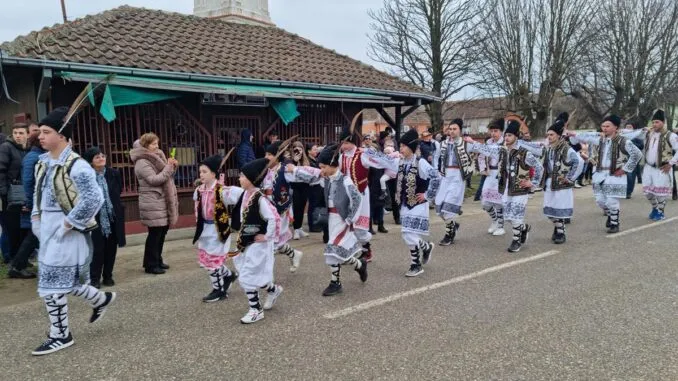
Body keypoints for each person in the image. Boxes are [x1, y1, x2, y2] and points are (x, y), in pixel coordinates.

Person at [30, 107, 114, 356]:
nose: (40, 136)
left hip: (68, 232)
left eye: (47, 132)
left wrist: (68, 223)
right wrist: (36, 217)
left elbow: (93, 199)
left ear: (63, 136)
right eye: (41, 132)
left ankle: (60, 334)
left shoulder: (77, 166)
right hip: (47, 229)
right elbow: (38, 193)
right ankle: (100, 299)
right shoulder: (43, 163)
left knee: (52, 286)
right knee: (61, 281)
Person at [285, 144, 368, 296]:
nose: (321, 170)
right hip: (331, 219)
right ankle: (358, 265)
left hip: (342, 220)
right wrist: (294, 169)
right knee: (338, 252)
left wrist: (351, 219)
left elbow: (357, 199)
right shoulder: (326, 177)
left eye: (323, 167)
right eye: (321, 167)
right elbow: (311, 173)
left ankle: (335, 283)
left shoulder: (345, 180)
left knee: (332, 249)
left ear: (332, 165)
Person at [465, 120, 544, 252]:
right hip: (507, 187)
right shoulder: (502, 151)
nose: (507, 138)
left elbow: (539, 167)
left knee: (516, 215)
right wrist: (473, 142)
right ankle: (523, 228)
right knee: (508, 216)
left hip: (520, 188)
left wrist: (533, 183)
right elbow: (488, 149)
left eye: (510, 136)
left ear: (516, 137)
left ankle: (516, 240)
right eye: (506, 135)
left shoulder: (525, 153)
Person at [222, 158, 283, 324]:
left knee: (247, 276)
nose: (239, 178)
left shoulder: (261, 199)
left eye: (242, 176)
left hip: (259, 244)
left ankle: (256, 309)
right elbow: (228, 192)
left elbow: (274, 218)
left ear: (251, 179)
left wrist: (267, 236)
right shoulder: (245, 195)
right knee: (251, 273)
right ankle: (274, 289)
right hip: (246, 241)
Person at [567, 115, 643, 233]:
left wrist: (625, 169)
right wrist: (574, 135)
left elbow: (637, 154)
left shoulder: (623, 141)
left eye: (608, 126)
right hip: (599, 173)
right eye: (603, 126)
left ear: (616, 127)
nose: (604, 128)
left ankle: (614, 223)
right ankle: (610, 215)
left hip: (615, 174)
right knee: (600, 200)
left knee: (612, 201)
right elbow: (588, 137)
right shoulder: (601, 139)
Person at [338, 124, 399, 262]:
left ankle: (366, 249)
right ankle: (351, 250)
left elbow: (382, 160)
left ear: (352, 142)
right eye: (342, 143)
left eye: (346, 143)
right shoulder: (341, 157)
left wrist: (395, 159)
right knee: (347, 225)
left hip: (360, 194)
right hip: (347, 195)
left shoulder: (363, 154)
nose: (343, 146)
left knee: (360, 226)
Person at [130, 133, 179, 274]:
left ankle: (158, 259)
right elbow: (154, 180)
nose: (156, 146)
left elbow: (167, 174)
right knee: (155, 233)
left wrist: (172, 166)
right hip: (153, 201)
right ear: (145, 146)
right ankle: (150, 264)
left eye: (157, 143)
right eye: (153, 144)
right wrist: (169, 167)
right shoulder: (141, 161)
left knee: (162, 232)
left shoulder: (157, 156)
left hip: (162, 200)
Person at [192, 155, 239, 302]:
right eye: (200, 172)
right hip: (204, 230)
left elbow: (244, 196)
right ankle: (229, 275)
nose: (201, 175)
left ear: (213, 174)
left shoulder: (222, 190)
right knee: (207, 260)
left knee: (212, 262)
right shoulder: (199, 190)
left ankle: (219, 290)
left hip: (218, 230)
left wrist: (237, 221)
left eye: (205, 172)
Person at [396, 128, 440, 277]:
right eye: (400, 146)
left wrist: (428, 195)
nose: (400, 149)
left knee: (407, 234)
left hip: (419, 204)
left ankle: (416, 264)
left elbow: (436, 177)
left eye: (403, 146)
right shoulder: (401, 162)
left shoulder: (421, 163)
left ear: (411, 148)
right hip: (405, 204)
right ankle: (425, 247)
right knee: (408, 235)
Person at [83, 147, 126, 288]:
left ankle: (108, 276)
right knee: (97, 249)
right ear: (91, 161)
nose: (101, 158)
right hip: (95, 217)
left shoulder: (114, 173)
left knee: (111, 248)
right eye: (97, 157)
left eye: (103, 155)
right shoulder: (87, 176)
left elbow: (118, 190)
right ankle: (94, 278)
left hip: (112, 216)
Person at [540, 119, 584, 244]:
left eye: (551, 135)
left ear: (559, 136)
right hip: (549, 183)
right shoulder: (549, 148)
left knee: (559, 209)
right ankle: (558, 227)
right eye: (548, 135)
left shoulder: (567, 149)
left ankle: (561, 231)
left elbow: (579, 162)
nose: (549, 137)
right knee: (549, 210)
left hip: (561, 184)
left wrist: (569, 178)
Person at [7, 131, 44, 279]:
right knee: (33, 235)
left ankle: (18, 265)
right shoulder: (33, 157)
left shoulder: (36, 156)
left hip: (37, 201)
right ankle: (17, 266)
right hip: (34, 202)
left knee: (34, 235)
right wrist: (29, 202)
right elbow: (28, 181)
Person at [262, 141, 303, 272]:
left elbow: (300, 175)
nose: (266, 157)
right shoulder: (265, 169)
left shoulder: (284, 168)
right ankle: (294, 254)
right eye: (266, 154)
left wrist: (296, 167)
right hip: (266, 208)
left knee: (272, 241)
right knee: (274, 240)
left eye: (270, 154)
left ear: (277, 155)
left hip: (280, 208)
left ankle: (267, 277)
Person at [435, 119, 474, 246]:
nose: (451, 131)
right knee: (440, 207)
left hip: (457, 177)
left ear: (460, 130)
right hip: (445, 177)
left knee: (447, 208)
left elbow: (481, 152)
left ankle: (449, 234)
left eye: (454, 129)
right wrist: (437, 172)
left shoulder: (466, 144)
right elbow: (437, 158)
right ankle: (453, 225)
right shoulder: (443, 144)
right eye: (450, 129)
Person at [639, 109, 678, 220]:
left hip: (662, 168)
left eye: (657, 122)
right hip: (648, 167)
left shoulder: (670, 135)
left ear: (663, 122)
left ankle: (660, 212)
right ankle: (655, 208)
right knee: (648, 192)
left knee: (660, 192)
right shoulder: (648, 134)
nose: (654, 124)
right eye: (653, 122)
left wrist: (670, 164)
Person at [0, 122, 29, 263]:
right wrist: (4, 194)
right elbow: (1, 171)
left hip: (20, 194)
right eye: (15, 133)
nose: (18, 136)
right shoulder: (6, 147)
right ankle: (9, 257)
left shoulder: (25, 149)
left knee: (20, 227)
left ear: (27, 135)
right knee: (10, 228)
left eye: (21, 133)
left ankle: (19, 257)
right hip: (7, 195)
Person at [478, 119, 506, 235]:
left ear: (501, 132)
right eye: (492, 131)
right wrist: (483, 168)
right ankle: (494, 221)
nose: (493, 133)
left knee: (498, 202)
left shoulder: (504, 143)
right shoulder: (488, 143)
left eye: (496, 131)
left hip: (501, 175)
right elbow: (481, 156)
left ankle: (501, 226)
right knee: (485, 202)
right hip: (490, 174)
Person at [289, 141, 311, 240]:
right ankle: (296, 230)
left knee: (302, 208)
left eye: (300, 148)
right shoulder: (290, 160)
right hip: (295, 187)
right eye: (296, 148)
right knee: (296, 208)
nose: (298, 150)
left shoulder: (305, 160)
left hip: (304, 186)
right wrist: (294, 161)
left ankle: (300, 228)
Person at [306, 143, 325, 233]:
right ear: (309, 151)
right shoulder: (308, 161)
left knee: (317, 205)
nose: (316, 151)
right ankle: (312, 225)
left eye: (316, 149)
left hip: (319, 185)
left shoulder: (316, 159)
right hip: (312, 185)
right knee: (313, 206)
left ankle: (317, 223)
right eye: (314, 149)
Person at [625, 120, 645, 198]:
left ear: (633, 128)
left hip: (633, 158)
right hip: (623, 158)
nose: (628, 128)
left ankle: (629, 192)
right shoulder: (622, 135)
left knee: (630, 175)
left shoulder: (637, 136)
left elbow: (641, 146)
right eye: (627, 127)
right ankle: (622, 190)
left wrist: (630, 142)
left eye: (630, 127)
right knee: (623, 175)